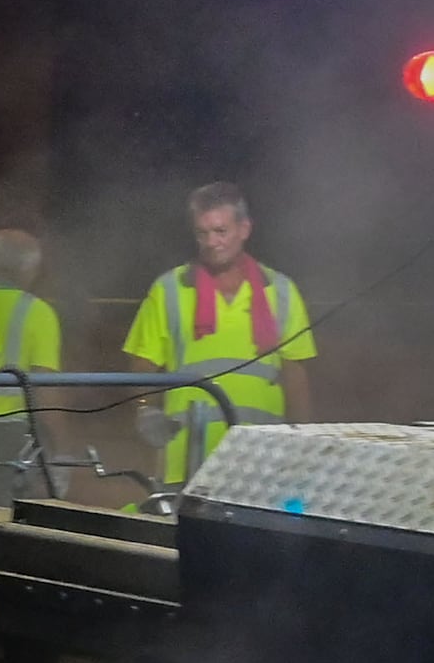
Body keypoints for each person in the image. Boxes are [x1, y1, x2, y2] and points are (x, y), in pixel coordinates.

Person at [123, 181, 315, 488]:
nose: (212, 242)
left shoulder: (281, 292)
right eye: (203, 233)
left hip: (262, 463)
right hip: (185, 461)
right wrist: (146, 413)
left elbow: (295, 377)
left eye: (221, 231)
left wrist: (304, 446)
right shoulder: (169, 290)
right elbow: (142, 365)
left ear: (244, 229)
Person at [0, 221, 68, 501]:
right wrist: (58, 453)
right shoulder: (38, 313)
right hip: (7, 435)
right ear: (29, 270)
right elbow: (46, 392)